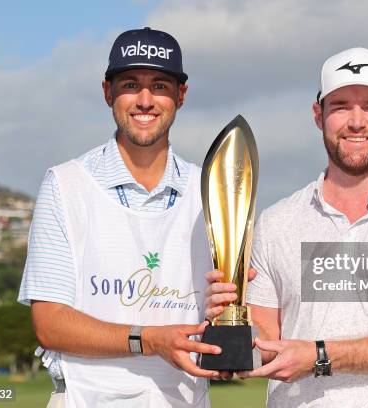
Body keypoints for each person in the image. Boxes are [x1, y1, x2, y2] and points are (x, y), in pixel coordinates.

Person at [205, 47, 368, 407]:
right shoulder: (276, 221)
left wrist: (319, 356)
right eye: (342, 105)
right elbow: (267, 340)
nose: (357, 122)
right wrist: (230, 324)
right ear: (319, 114)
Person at [18, 27, 224, 408]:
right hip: (86, 399)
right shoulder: (65, 184)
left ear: (181, 94)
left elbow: (224, 312)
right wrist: (147, 339)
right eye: (130, 84)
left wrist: (229, 320)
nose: (145, 100)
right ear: (107, 92)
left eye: (160, 85)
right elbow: (50, 323)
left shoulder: (211, 189)